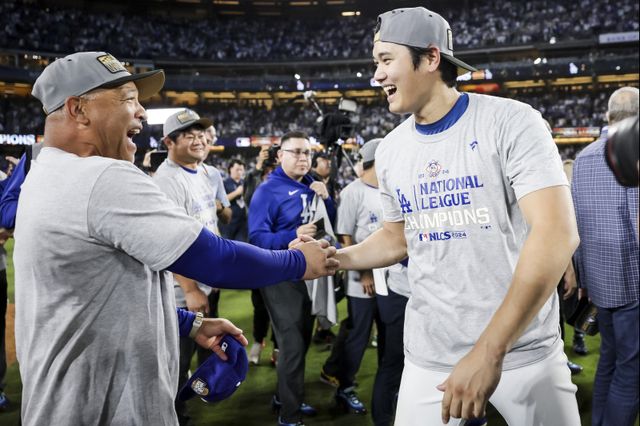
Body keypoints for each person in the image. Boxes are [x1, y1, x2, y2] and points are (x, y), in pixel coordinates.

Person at [13, 51, 338, 426]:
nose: (141, 111)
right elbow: (215, 259)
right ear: (78, 109)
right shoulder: (100, 177)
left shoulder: (45, 171)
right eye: (128, 99)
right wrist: (299, 261)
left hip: (66, 402)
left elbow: (96, 299)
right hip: (102, 410)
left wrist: (186, 323)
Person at [334, 8, 581, 425]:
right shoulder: (391, 149)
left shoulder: (511, 121)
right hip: (430, 355)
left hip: (523, 351)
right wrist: (336, 258)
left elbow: (556, 233)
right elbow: (396, 237)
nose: (376, 75)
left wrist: (489, 351)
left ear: (431, 58)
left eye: (386, 59)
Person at [249, 131, 336, 426]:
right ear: (280, 156)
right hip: (278, 274)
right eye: (296, 152)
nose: (303, 158)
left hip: (307, 275)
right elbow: (257, 239)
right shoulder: (267, 191)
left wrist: (328, 199)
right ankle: (289, 415)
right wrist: (292, 235)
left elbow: (327, 225)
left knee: (302, 338)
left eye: (307, 152)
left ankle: (284, 397)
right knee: (293, 344)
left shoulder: (312, 185)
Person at [152, 108, 230, 425]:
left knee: (205, 348)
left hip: (206, 280)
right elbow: (168, 240)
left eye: (201, 134)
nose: (199, 140)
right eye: (189, 135)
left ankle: (191, 398)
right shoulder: (168, 180)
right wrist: (190, 288)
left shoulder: (203, 173)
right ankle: (172, 416)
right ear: (169, 142)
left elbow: (209, 224)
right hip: (182, 291)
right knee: (178, 359)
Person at [571, 86, 639, 426]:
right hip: (632, 282)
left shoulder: (582, 159)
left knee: (610, 362)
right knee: (631, 370)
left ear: (607, 116)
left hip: (598, 282)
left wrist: (583, 277)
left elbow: (576, 226)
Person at [221, 159, 248, 242]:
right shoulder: (224, 183)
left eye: (241, 170)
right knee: (227, 246)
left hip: (242, 222)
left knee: (241, 246)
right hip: (228, 223)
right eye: (237, 169)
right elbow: (220, 201)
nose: (239, 172)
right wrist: (236, 193)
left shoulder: (245, 183)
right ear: (230, 169)